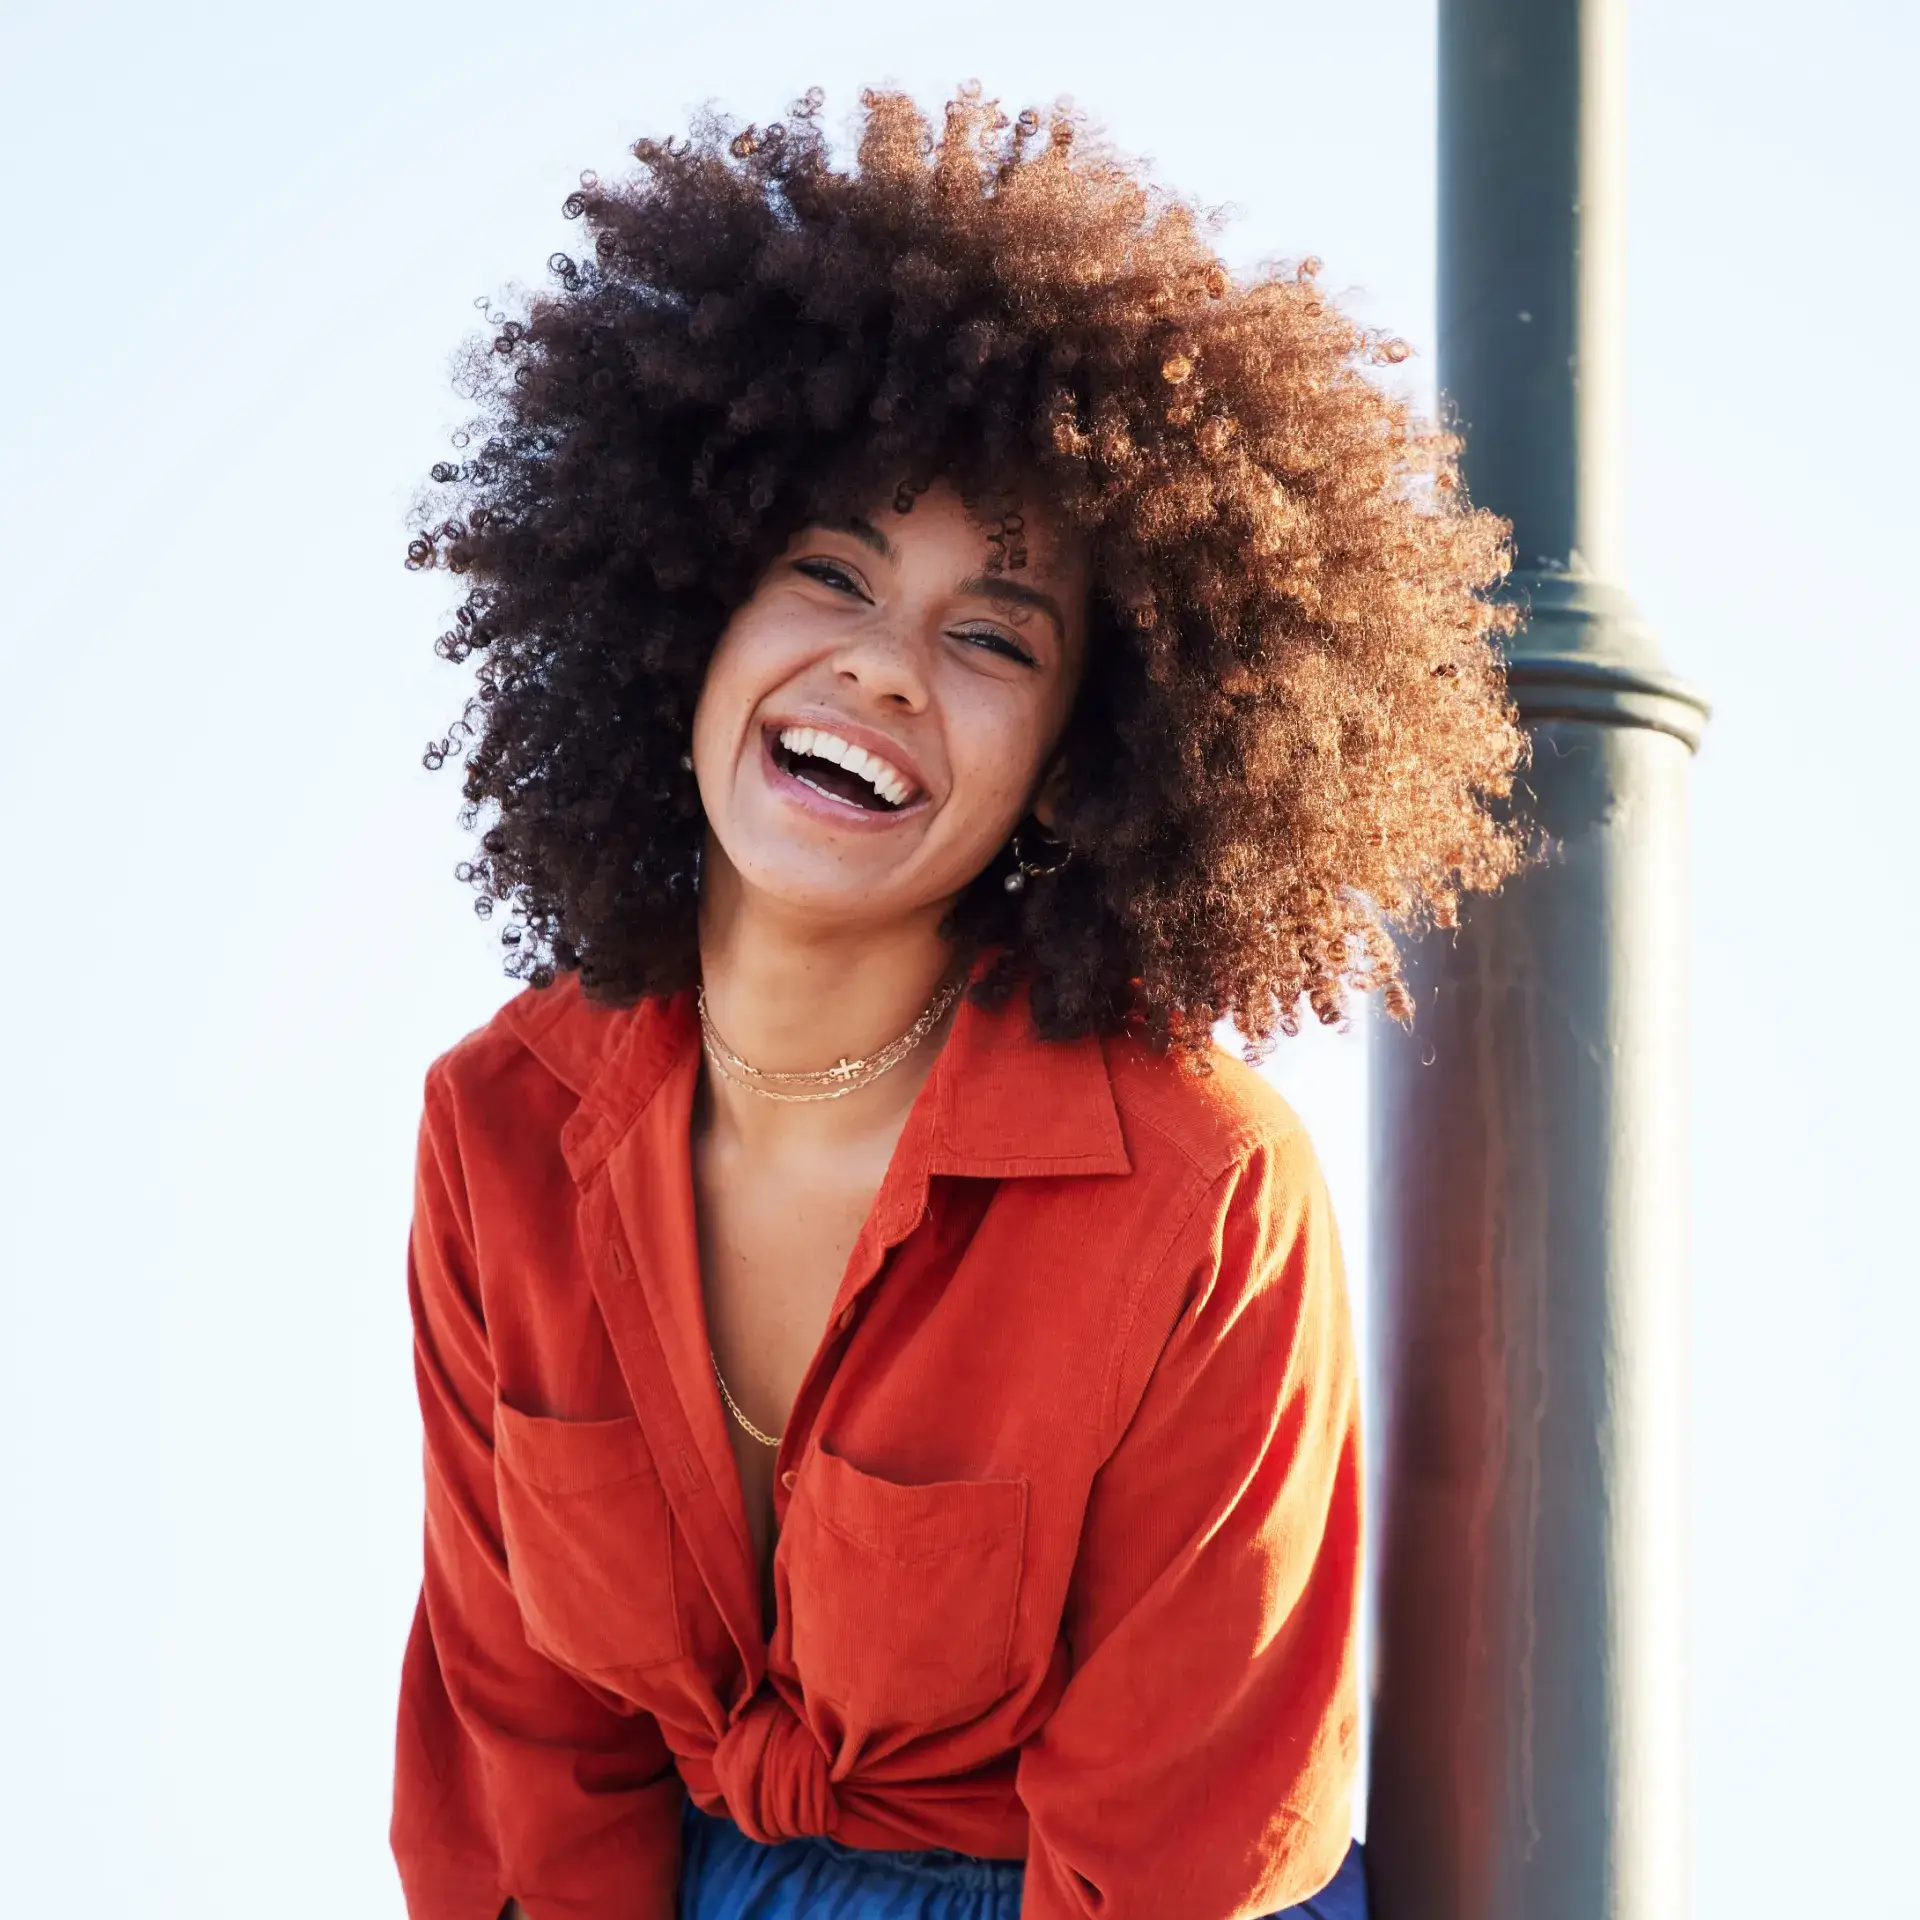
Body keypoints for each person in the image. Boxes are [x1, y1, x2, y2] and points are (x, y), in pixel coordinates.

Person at [389, 83, 1524, 1920]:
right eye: (830, 572)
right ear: (689, 612)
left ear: (1081, 762)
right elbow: (524, 1760)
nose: (885, 666)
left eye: (993, 635)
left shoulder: (1196, 1194)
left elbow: (1184, 1852)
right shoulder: (501, 1124)